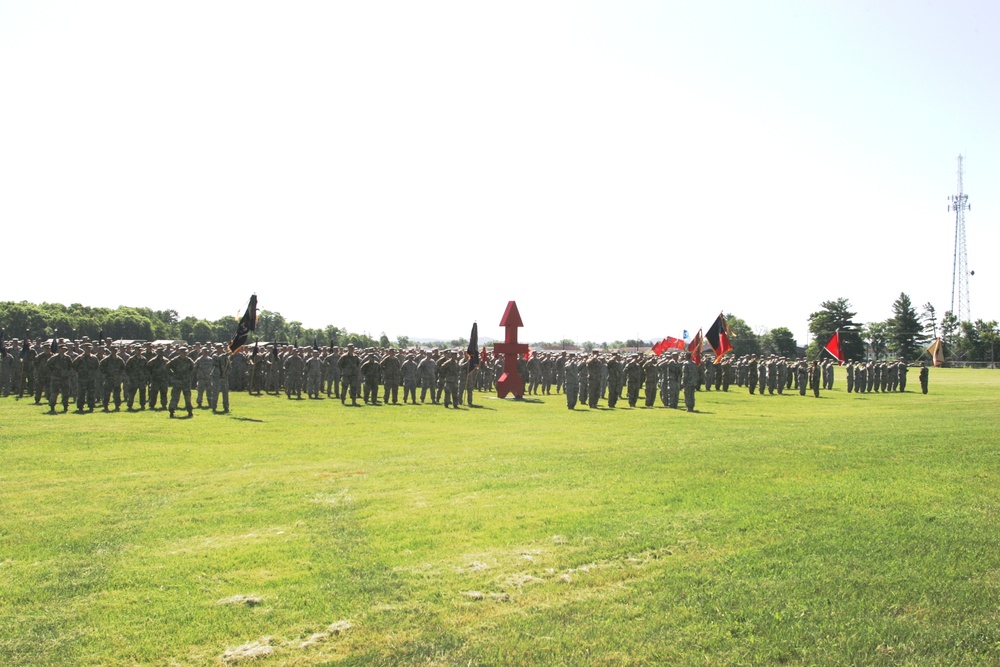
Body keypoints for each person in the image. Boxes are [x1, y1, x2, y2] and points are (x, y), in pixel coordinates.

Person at [166, 347, 195, 418]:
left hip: (186, 382)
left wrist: (188, 374)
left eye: (185, 352)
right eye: (182, 352)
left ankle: (190, 411)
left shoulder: (188, 360)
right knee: (175, 397)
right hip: (177, 382)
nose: (184, 354)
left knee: (188, 398)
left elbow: (193, 367)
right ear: (180, 352)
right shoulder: (175, 360)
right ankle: (171, 411)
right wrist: (172, 374)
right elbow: (167, 367)